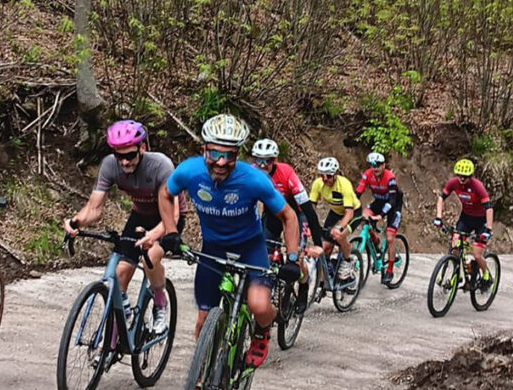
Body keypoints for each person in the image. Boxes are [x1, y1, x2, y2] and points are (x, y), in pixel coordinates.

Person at [153, 114, 300, 368]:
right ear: (204, 149)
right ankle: (202, 376)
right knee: (203, 321)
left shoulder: (254, 179)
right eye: (215, 154)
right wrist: (171, 231)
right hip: (213, 248)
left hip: (250, 247)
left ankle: (262, 331)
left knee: (259, 306)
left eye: (229, 155)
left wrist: (293, 258)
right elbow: (165, 194)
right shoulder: (189, 171)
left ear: (237, 155)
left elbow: (288, 215)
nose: (221, 162)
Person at [63, 120, 182, 332]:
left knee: (150, 257)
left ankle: (160, 302)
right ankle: (120, 323)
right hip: (140, 215)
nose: (124, 162)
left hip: (168, 219)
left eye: (130, 155)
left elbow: (172, 214)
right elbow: (94, 207)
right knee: (120, 273)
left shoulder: (160, 165)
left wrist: (153, 236)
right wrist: (75, 222)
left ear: (142, 148)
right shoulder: (110, 165)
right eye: (119, 156)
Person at [250, 138, 324, 313]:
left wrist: (318, 244)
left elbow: (308, 210)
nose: (262, 165)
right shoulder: (251, 173)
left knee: (296, 257)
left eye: (267, 161)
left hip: (297, 215)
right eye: (259, 160)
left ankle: (303, 287)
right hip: (272, 215)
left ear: (275, 160)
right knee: (264, 254)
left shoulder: (287, 173)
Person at [433, 159, 494, 290]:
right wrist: (438, 217)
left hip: (481, 220)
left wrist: (488, 229)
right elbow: (441, 198)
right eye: (459, 175)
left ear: (470, 176)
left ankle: (486, 275)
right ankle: (458, 273)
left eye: (465, 176)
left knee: (477, 254)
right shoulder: (453, 183)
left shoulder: (477, 186)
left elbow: (489, 208)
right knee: (455, 247)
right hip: (466, 218)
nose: (461, 178)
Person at [309, 157, 362, 283]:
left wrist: (339, 227)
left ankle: (348, 261)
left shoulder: (344, 185)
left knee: (339, 235)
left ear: (335, 174)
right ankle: (327, 270)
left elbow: (349, 213)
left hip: (353, 212)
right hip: (335, 212)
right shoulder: (318, 184)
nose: (325, 179)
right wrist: (308, 224)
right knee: (325, 245)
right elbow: (311, 208)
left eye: (328, 176)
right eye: (322, 175)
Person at [355, 152, 403, 284]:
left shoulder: (390, 178)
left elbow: (392, 201)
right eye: (372, 165)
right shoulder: (368, 174)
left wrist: (380, 216)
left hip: (394, 204)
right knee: (364, 217)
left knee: (390, 237)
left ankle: (390, 270)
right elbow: (358, 193)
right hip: (379, 201)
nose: (375, 168)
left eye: (378, 165)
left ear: (383, 165)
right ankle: (375, 241)